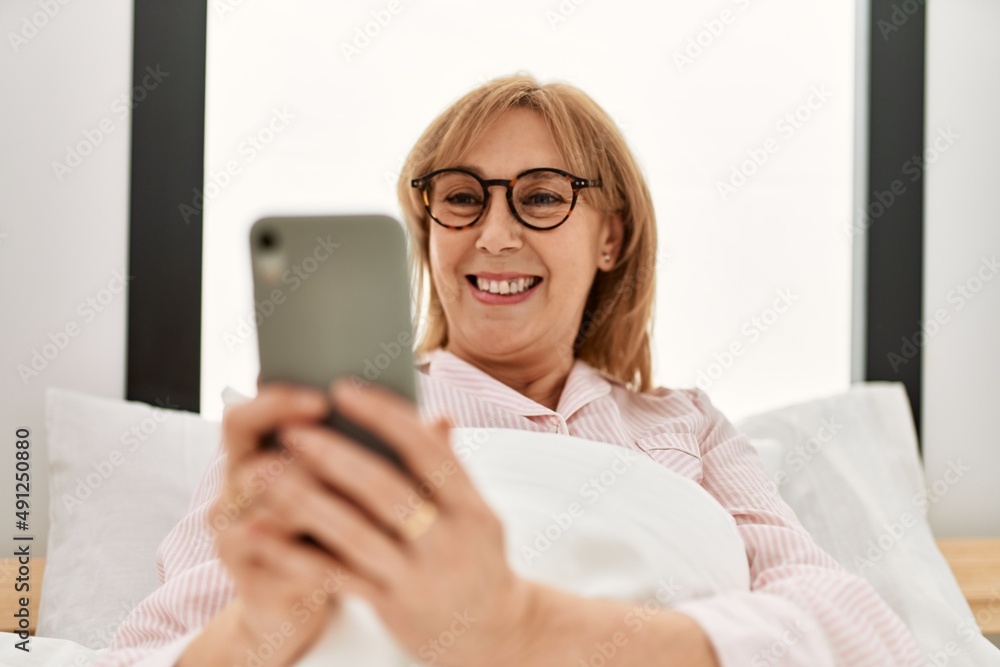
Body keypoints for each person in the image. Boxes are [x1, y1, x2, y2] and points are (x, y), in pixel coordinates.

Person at [97, 75, 924, 667]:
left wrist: (526, 629)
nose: (493, 234)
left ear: (610, 236)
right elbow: (149, 653)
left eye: (539, 196)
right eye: (460, 197)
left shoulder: (687, 426)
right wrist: (263, 629)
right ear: (428, 230)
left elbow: (860, 635)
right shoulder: (318, 422)